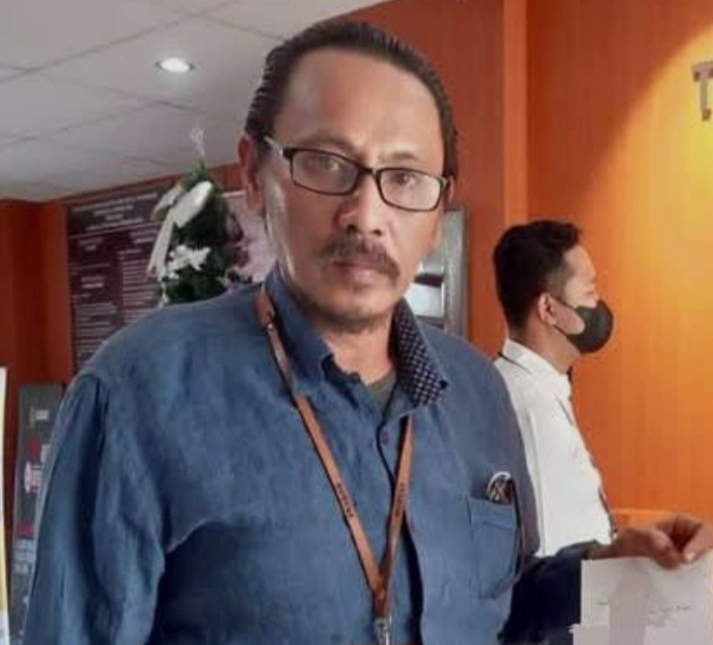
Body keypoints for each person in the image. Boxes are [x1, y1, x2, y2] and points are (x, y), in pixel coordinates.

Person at [23, 20, 710, 645]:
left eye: (404, 177)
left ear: (437, 211)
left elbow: (497, 608)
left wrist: (603, 568)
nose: (366, 213)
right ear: (256, 176)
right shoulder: (137, 394)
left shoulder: (475, 392)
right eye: (326, 162)